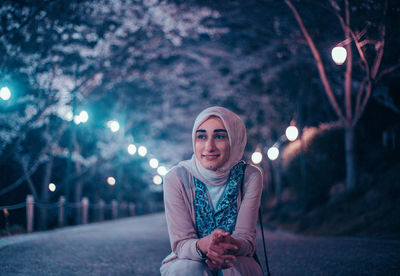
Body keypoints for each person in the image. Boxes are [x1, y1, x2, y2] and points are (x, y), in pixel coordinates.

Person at [160, 106, 263, 276]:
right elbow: (181, 244)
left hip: (235, 256)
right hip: (189, 258)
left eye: (220, 136)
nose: (209, 147)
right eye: (201, 137)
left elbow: (247, 241)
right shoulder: (176, 177)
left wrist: (229, 245)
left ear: (234, 140)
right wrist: (206, 245)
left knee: (235, 270)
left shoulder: (250, 176)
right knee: (187, 270)